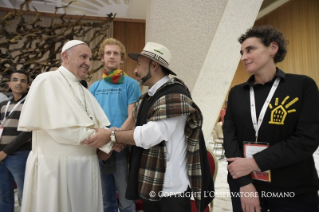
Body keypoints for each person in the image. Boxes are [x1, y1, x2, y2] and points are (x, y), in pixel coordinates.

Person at [83, 42, 214, 212]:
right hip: (151, 184)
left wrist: (110, 137)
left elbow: (148, 136)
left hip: (171, 190)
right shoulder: (148, 97)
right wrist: (114, 142)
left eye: (139, 64)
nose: (135, 70)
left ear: (154, 65)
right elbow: (132, 120)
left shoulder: (175, 96)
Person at [224, 25, 319, 212]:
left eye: (250, 49)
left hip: (292, 189)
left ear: (273, 48)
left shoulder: (302, 85)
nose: (243, 57)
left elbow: (306, 140)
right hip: (245, 185)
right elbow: (230, 137)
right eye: (241, 52)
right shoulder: (237, 93)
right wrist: (244, 183)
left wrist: (253, 163)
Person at [18, 40, 113, 212]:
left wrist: (108, 141)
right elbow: (63, 131)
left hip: (86, 166)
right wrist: (108, 140)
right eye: (83, 56)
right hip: (57, 170)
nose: (88, 63)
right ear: (65, 56)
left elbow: (101, 126)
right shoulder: (47, 80)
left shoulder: (84, 90)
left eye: (90, 58)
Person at [89, 38, 141, 212]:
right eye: (108, 53)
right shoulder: (94, 87)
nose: (111, 56)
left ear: (121, 60)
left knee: (126, 201)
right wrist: (103, 146)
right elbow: (90, 119)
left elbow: (133, 116)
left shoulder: (132, 84)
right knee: (105, 200)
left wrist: (114, 141)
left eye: (116, 53)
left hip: (121, 146)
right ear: (102, 58)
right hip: (99, 147)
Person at [0, 71, 31, 212]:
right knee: (3, 195)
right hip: (1, 156)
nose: (18, 83)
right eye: (15, 80)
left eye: (23, 81)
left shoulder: (30, 103)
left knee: (25, 194)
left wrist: (5, 151)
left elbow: (28, 132)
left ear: (28, 85)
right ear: (9, 84)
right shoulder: (3, 104)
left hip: (20, 155)